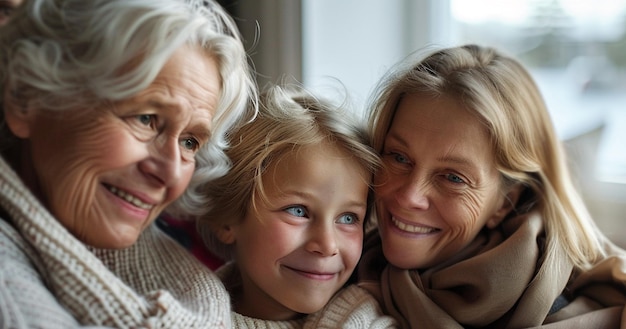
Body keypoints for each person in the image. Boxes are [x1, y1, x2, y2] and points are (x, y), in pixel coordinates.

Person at [0, 0, 257, 327]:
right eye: (146, 119)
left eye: (190, 142)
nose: (171, 172)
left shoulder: (192, 288)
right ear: (27, 98)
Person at [357, 44, 626, 329]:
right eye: (399, 158)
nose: (410, 195)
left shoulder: (594, 313)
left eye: (453, 178)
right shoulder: (341, 260)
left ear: (505, 200)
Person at [197, 85, 398, 328]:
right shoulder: (174, 313)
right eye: (298, 211)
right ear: (227, 219)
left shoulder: (367, 322)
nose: (327, 245)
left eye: (347, 218)